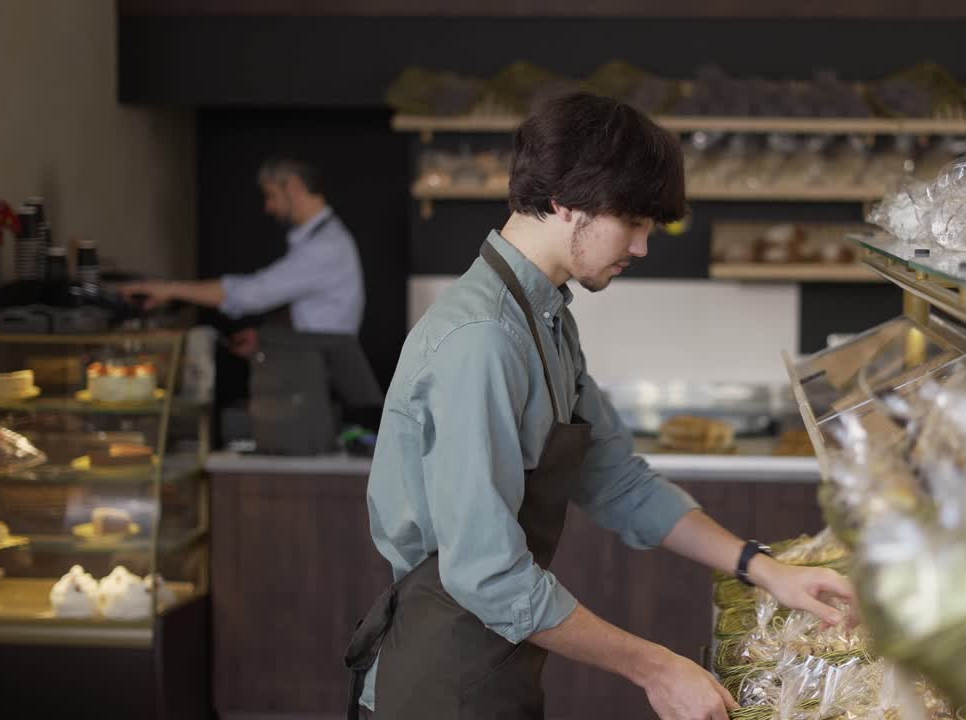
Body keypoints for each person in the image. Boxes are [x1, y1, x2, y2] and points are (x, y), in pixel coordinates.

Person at [345, 93, 855, 720]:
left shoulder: (546, 319)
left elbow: (619, 482)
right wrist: (658, 667)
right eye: (634, 222)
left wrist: (762, 567)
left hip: (497, 662)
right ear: (564, 201)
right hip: (439, 681)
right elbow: (487, 573)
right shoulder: (481, 341)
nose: (642, 247)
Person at [121, 156, 365, 355]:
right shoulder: (322, 240)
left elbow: (252, 294)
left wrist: (170, 289)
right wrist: (265, 339)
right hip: (306, 363)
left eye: (271, 195)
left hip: (314, 374)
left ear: (294, 187)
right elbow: (311, 314)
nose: (268, 207)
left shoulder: (326, 247)